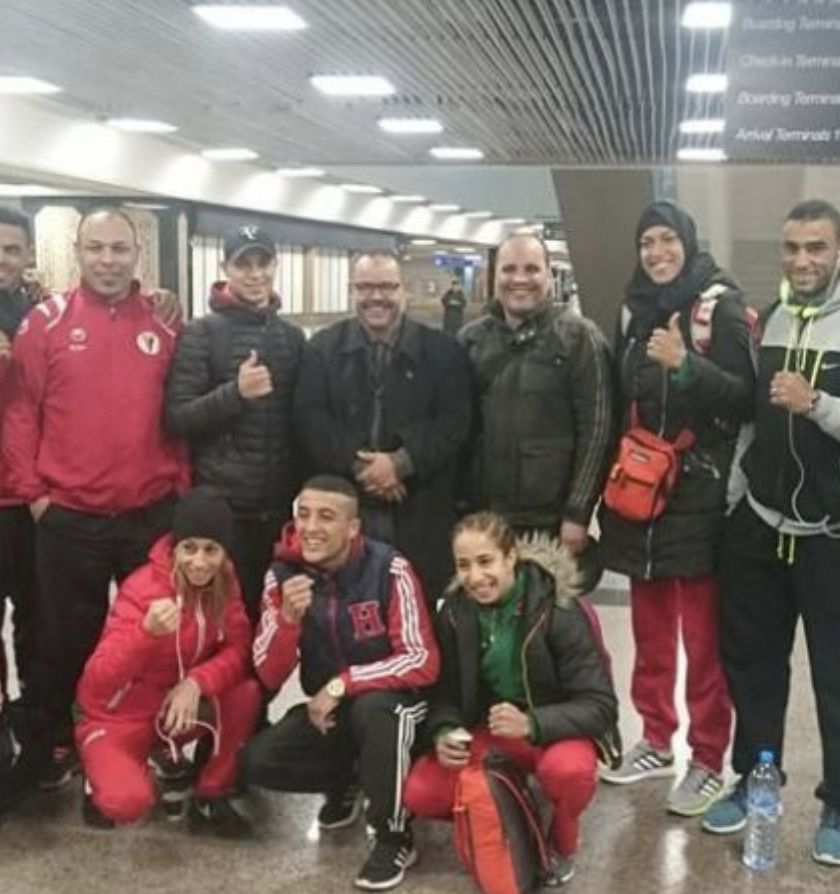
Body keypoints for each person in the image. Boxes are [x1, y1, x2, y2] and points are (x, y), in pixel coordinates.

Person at [1, 207, 186, 787]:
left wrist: (181, 491)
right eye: (96, 248)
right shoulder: (45, 323)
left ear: (137, 255)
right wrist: (35, 494)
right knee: (63, 638)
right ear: (77, 253)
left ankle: (148, 737)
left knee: (152, 636)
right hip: (68, 517)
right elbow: (21, 413)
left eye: (119, 248)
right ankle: (60, 740)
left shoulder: (165, 324)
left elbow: (180, 413)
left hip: (149, 514)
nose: (108, 260)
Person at [597, 201, 755, 816]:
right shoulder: (632, 310)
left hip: (701, 495)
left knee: (703, 638)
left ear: (687, 243)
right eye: (647, 243)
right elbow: (621, 396)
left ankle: (709, 757)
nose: (657, 252)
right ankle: (657, 738)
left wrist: (687, 366)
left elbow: (745, 399)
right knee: (651, 630)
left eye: (667, 240)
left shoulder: (719, 308)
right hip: (643, 492)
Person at [702, 199, 840, 866]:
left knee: (835, 673)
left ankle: (838, 803)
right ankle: (757, 777)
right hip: (759, 526)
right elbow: (752, 425)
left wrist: (817, 404)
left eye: (816, 247)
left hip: (830, 535)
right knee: (753, 665)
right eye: (792, 248)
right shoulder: (771, 319)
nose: (802, 260)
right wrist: (735, 502)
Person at [240, 476, 440, 891]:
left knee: (375, 710)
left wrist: (342, 685)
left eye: (326, 517)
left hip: (398, 706)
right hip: (332, 711)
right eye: (304, 515)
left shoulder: (389, 568)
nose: (311, 528)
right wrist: (287, 621)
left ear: (352, 528)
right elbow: (268, 673)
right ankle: (348, 779)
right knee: (258, 760)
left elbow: (422, 661)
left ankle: (393, 836)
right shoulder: (282, 574)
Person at [403, 511, 618, 887]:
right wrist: (444, 730)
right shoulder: (455, 612)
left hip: (552, 729)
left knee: (569, 772)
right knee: (421, 793)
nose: (475, 576)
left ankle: (562, 839)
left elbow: (599, 706)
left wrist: (532, 723)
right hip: (492, 731)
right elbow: (444, 693)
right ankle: (514, 806)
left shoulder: (559, 607)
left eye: (485, 561)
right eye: (464, 565)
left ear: (511, 557)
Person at [75, 486, 259, 836]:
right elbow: (96, 683)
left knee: (245, 693)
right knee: (126, 803)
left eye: (211, 550)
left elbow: (239, 651)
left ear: (225, 552)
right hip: (118, 715)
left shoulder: (226, 584)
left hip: (174, 710)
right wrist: (145, 633)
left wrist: (197, 681)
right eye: (189, 548)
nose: (199, 562)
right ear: (175, 548)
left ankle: (210, 794)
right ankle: (103, 768)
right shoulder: (142, 589)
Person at [293, 250, 471, 602]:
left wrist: (401, 463)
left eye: (387, 287)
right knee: (346, 609)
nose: (376, 297)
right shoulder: (321, 350)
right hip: (346, 506)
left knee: (416, 605)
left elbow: (454, 421)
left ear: (405, 291)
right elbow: (309, 418)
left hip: (420, 506)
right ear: (351, 291)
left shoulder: (443, 352)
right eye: (365, 287)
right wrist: (363, 467)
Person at [166, 223, 305, 623]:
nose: (255, 273)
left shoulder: (292, 337)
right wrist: (235, 393)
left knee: (272, 620)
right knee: (225, 621)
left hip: (278, 510)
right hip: (223, 510)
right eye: (244, 264)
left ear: (275, 266)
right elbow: (177, 417)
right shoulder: (201, 333)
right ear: (225, 268)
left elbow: (299, 422)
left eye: (264, 263)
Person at [458, 234, 613, 555]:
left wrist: (578, 512)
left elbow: (598, 431)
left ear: (549, 275)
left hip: (551, 523)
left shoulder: (580, 339)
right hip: (484, 518)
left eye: (531, 269)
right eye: (509, 269)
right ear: (495, 276)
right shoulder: (471, 340)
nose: (519, 279)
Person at [0, 208, 40, 710]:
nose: (1, 260)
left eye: (11, 249)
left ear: (28, 255)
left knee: (38, 616)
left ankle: (35, 718)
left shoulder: (39, 318)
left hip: (30, 497)